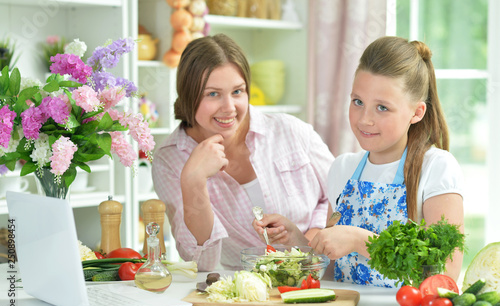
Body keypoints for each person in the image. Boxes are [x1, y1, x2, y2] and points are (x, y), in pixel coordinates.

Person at [254, 36, 464, 287]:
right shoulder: (343, 168)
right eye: (358, 102)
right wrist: (295, 239)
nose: (365, 119)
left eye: (382, 108)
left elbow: (444, 274)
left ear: (416, 112)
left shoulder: (437, 167)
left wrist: (359, 240)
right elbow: (333, 268)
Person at [152, 34, 334, 271]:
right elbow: (201, 262)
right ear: (188, 96)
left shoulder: (289, 130)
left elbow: (341, 194)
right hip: (248, 291)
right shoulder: (170, 160)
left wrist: (311, 237)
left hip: (320, 276)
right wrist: (193, 179)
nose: (229, 108)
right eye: (212, 94)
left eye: (237, 91)